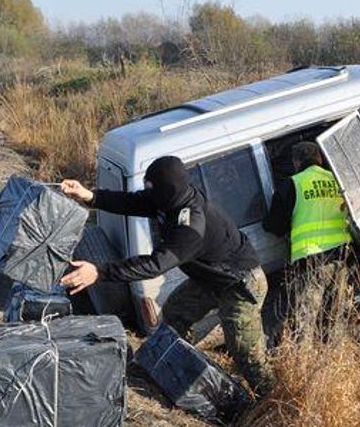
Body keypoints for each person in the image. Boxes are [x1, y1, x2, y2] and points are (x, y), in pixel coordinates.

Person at [59, 155, 275, 397]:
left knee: (244, 351)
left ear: (167, 192)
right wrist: (91, 196)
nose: (148, 195)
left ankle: (269, 400)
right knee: (175, 316)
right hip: (211, 277)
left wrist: (99, 272)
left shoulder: (191, 225)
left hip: (239, 281)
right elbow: (133, 202)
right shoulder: (169, 198)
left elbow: (154, 265)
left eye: (153, 190)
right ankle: (170, 367)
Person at [263, 141, 353, 336]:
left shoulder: (291, 184)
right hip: (341, 257)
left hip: (310, 262)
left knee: (304, 321)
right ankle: (334, 359)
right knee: (334, 318)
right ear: (320, 158)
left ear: (296, 162)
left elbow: (273, 225)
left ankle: (305, 362)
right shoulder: (338, 180)